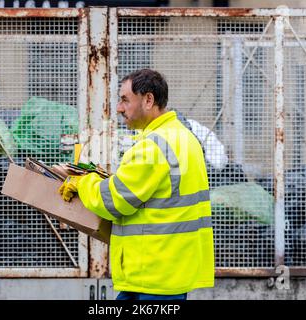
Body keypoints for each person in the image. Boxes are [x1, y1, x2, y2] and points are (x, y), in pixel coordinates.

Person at [59, 69, 214, 300]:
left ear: (148, 100)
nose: (120, 108)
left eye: (124, 100)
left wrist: (83, 182)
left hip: (153, 274)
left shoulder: (153, 146)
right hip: (169, 269)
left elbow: (113, 201)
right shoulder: (183, 137)